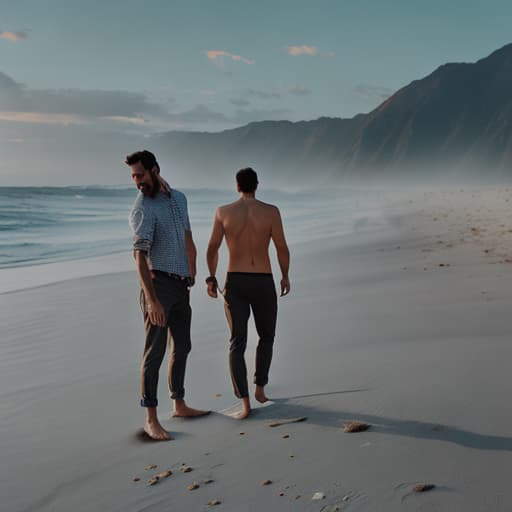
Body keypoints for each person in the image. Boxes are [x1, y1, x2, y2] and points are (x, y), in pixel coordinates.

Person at [126, 150, 208, 441]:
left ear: (155, 169)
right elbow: (138, 255)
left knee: (183, 346)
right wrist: (151, 300)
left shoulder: (179, 199)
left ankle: (179, 403)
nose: (137, 181)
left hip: (181, 284)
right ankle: (150, 418)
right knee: (155, 353)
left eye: (140, 174)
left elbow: (187, 234)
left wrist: (192, 267)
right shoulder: (142, 208)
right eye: (133, 176)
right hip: (157, 285)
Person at [206, 167, 290, 419]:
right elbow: (282, 247)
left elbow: (212, 248)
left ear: (237, 186)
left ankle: (244, 403)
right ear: (257, 185)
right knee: (267, 337)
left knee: (237, 341)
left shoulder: (223, 212)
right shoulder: (271, 212)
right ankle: (260, 389)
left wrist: (211, 277)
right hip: (263, 280)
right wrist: (285, 275)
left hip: (236, 282)